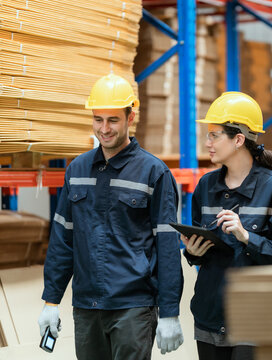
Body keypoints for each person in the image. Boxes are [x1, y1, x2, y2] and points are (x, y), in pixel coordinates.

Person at [38, 73, 184, 359]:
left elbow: (168, 247)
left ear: (130, 119)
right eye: (98, 119)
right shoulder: (77, 170)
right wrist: (50, 301)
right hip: (86, 307)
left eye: (113, 120)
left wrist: (169, 312)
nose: (104, 129)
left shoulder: (154, 172)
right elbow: (62, 240)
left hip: (132, 307)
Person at [181, 92, 272, 360]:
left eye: (214, 135)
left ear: (238, 139)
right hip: (210, 315)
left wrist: (246, 236)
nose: (207, 142)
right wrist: (193, 252)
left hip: (254, 319)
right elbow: (201, 250)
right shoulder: (206, 186)